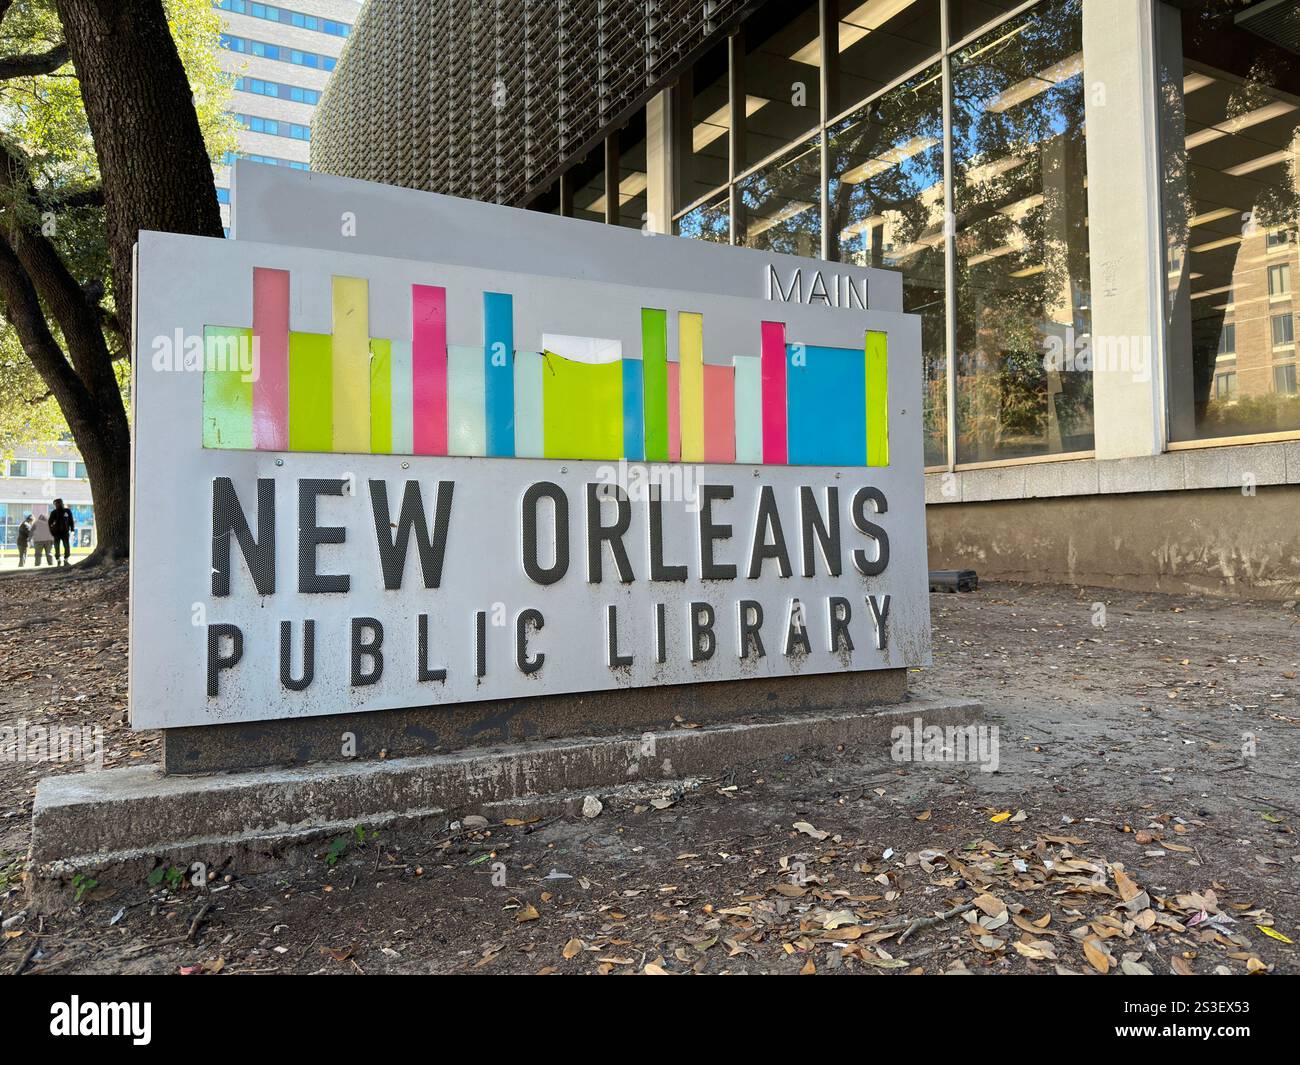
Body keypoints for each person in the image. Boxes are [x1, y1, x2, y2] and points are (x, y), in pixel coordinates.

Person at [47, 498, 75, 567]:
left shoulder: (67, 511)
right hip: (56, 533)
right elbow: (49, 523)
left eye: (58, 503)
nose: (57, 505)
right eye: (55, 504)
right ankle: (58, 560)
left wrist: (72, 529)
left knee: (67, 546)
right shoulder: (54, 512)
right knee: (57, 547)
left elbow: (71, 520)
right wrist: (51, 532)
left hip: (65, 532)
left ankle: (66, 560)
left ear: (62, 503)